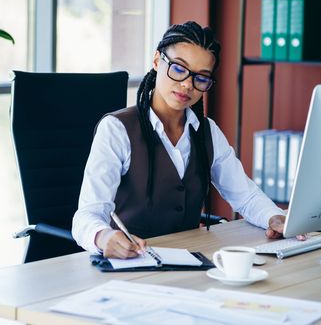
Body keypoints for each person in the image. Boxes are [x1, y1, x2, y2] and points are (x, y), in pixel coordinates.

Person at [72, 21, 292, 259]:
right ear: (157, 61)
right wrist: (103, 236)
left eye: (201, 78)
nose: (187, 84)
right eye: (178, 69)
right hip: (132, 264)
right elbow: (87, 215)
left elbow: (245, 196)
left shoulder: (207, 132)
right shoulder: (117, 129)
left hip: (190, 261)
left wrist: (274, 218)